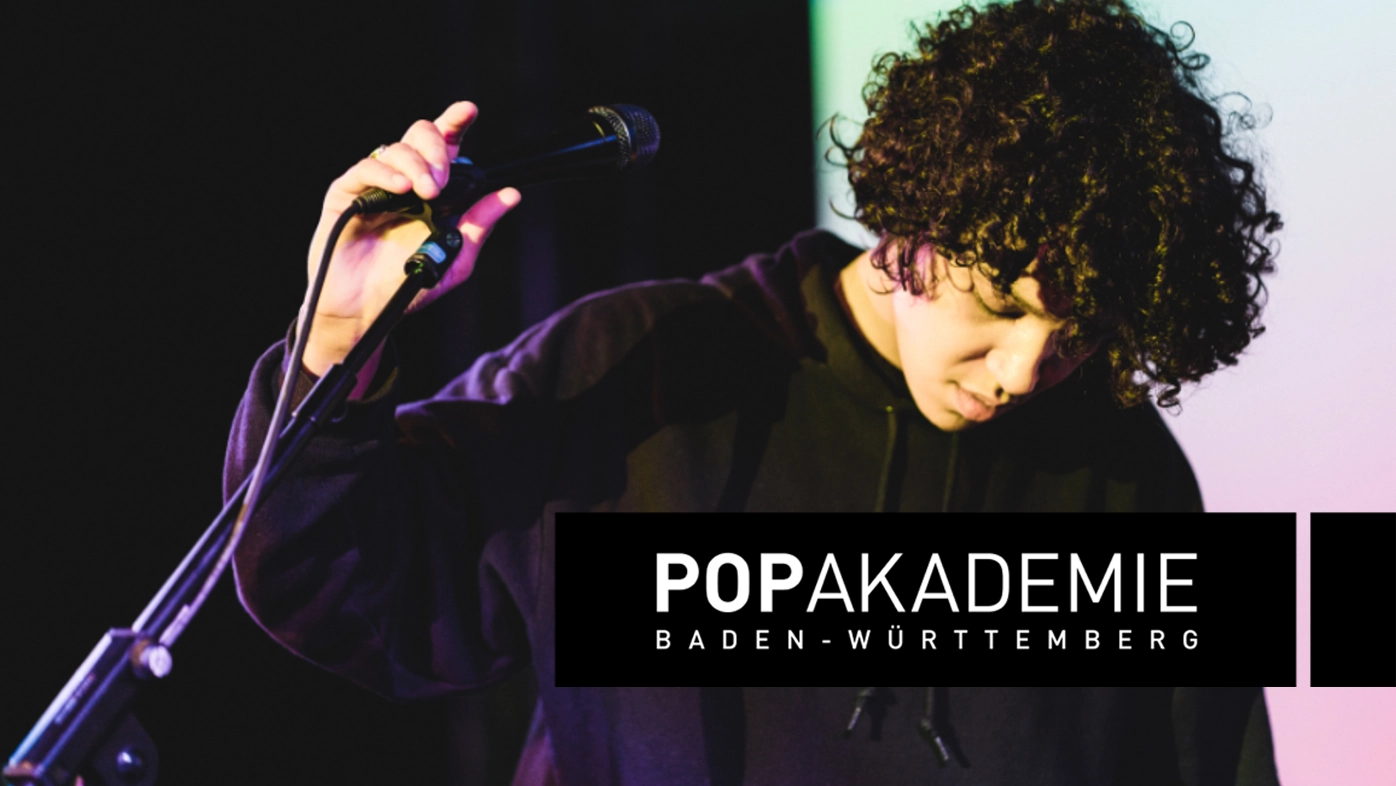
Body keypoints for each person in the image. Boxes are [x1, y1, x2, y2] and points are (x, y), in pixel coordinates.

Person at [226, 0, 1283, 783]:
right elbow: (338, 585)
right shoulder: (643, 371)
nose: (1022, 372)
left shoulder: (1126, 476)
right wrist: (336, 338)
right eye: (1003, 302)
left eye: (1079, 335)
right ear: (919, 213)